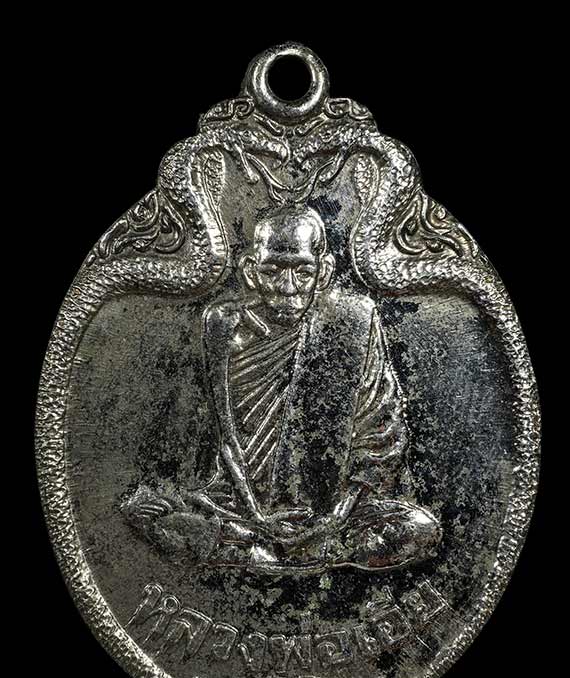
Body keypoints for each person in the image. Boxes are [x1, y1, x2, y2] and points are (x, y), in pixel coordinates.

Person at [122, 205, 441, 571]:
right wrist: (258, 516)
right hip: (238, 501)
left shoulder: (353, 321)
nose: (288, 288)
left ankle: (262, 548)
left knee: (420, 528)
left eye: (303, 272)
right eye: (272, 271)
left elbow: (381, 435)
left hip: (332, 509)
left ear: (324, 272)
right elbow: (225, 440)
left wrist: (334, 517)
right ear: (250, 271)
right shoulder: (224, 324)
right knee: (145, 510)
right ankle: (277, 547)